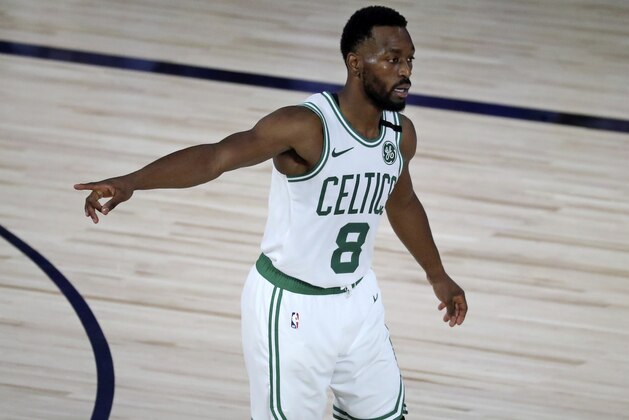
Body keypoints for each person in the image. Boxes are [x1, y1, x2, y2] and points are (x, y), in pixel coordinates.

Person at [75, 5, 467, 419]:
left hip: (359, 302)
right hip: (292, 307)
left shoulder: (399, 134)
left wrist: (437, 275)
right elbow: (216, 157)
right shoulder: (306, 125)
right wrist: (132, 181)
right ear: (355, 64)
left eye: (409, 60)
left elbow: (401, 200)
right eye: (392, 59)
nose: (404, 71)